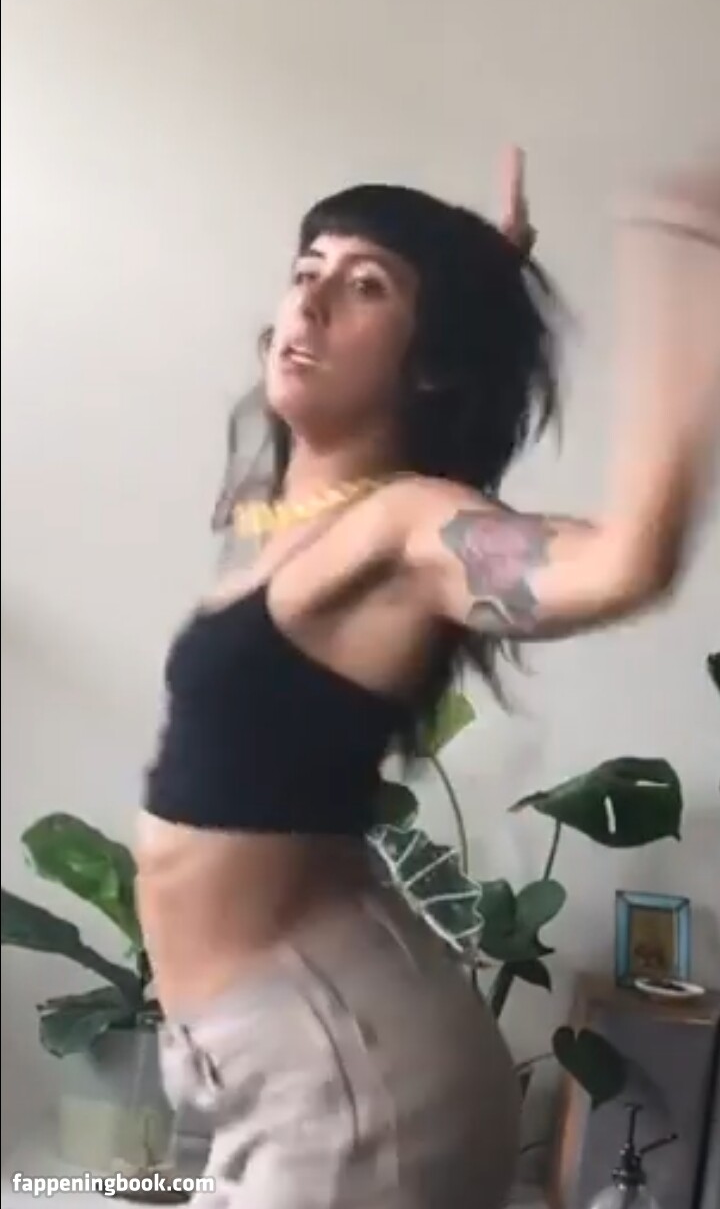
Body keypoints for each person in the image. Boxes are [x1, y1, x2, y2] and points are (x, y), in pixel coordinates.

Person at [135, 148, 720, 1207]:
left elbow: (626, 562)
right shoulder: (296, 515)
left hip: (349, 1081)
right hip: (274, 1057)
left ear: (432, 365)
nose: (309, 300)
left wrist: (689, 256)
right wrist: (479, 284)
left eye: (364, 286)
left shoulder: (404, 530)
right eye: (306, 269)